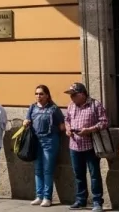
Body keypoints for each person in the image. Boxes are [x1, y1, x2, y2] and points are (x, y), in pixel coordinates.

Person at [65, 82, 108, 211]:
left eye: (74, 95)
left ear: (82, 94)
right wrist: (67, 129)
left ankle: (97, 201)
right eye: (70, 95)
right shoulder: (71, 106)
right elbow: (66, 119)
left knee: (94, 174)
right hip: (74, 145)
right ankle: (80, 199)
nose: (71, 98)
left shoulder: (95, 104)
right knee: (78, 174)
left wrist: (89, 130)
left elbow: (104, 122)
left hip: (91, 146)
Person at [22, 84, 65, 207]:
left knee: (47, 170)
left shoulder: (53, 109)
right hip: (35, 141)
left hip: (50, 141)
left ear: (47, 95)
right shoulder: (32, 107)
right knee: (38, 169)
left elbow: (62, 125)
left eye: (41, 94)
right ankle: (39, 196)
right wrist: (26, 122)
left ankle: (47, 197)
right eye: (36, 94)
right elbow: (27, 119)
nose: (38, 96)